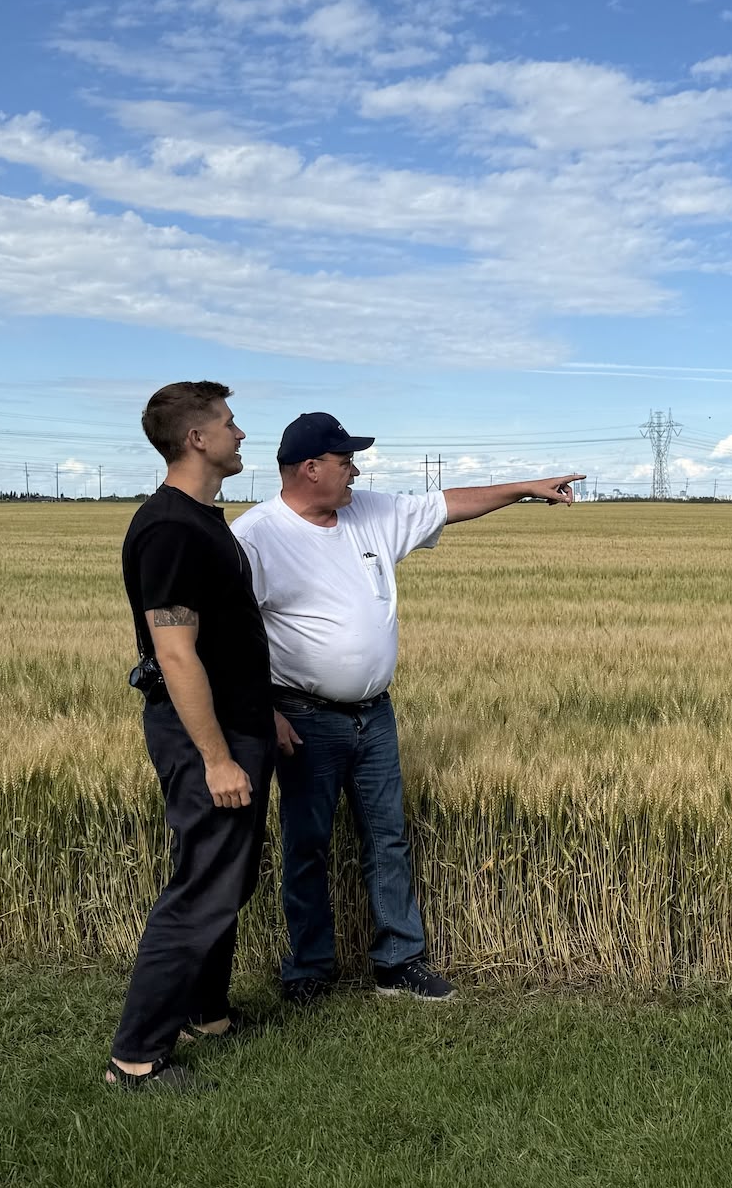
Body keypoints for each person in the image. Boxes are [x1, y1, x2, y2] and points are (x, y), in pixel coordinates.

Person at [232, 411, 583, 1003]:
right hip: (303, 717)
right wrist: (263, 711)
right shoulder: (255, 536)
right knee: (306, 844)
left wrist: (525, 487)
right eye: (346, 462)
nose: (356, 470)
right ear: (310, 468)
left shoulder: (369, 511)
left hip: (375, 715)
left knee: (387, 838)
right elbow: (231, 635)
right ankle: (309, 971)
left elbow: (449, 502)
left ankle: (399, 962)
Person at [107, 381, 275, 1090]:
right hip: (205, 736)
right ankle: (136, 1057)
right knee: (203, 883)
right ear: (198, 439)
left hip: (238, 722)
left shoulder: (204, 519)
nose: (240, 434)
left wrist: (266, 715)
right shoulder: (172, 528)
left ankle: (206, 1011)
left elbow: (229, 640)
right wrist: (215, 757)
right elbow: (174, 652)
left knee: (224, 875)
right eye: (230, 424)